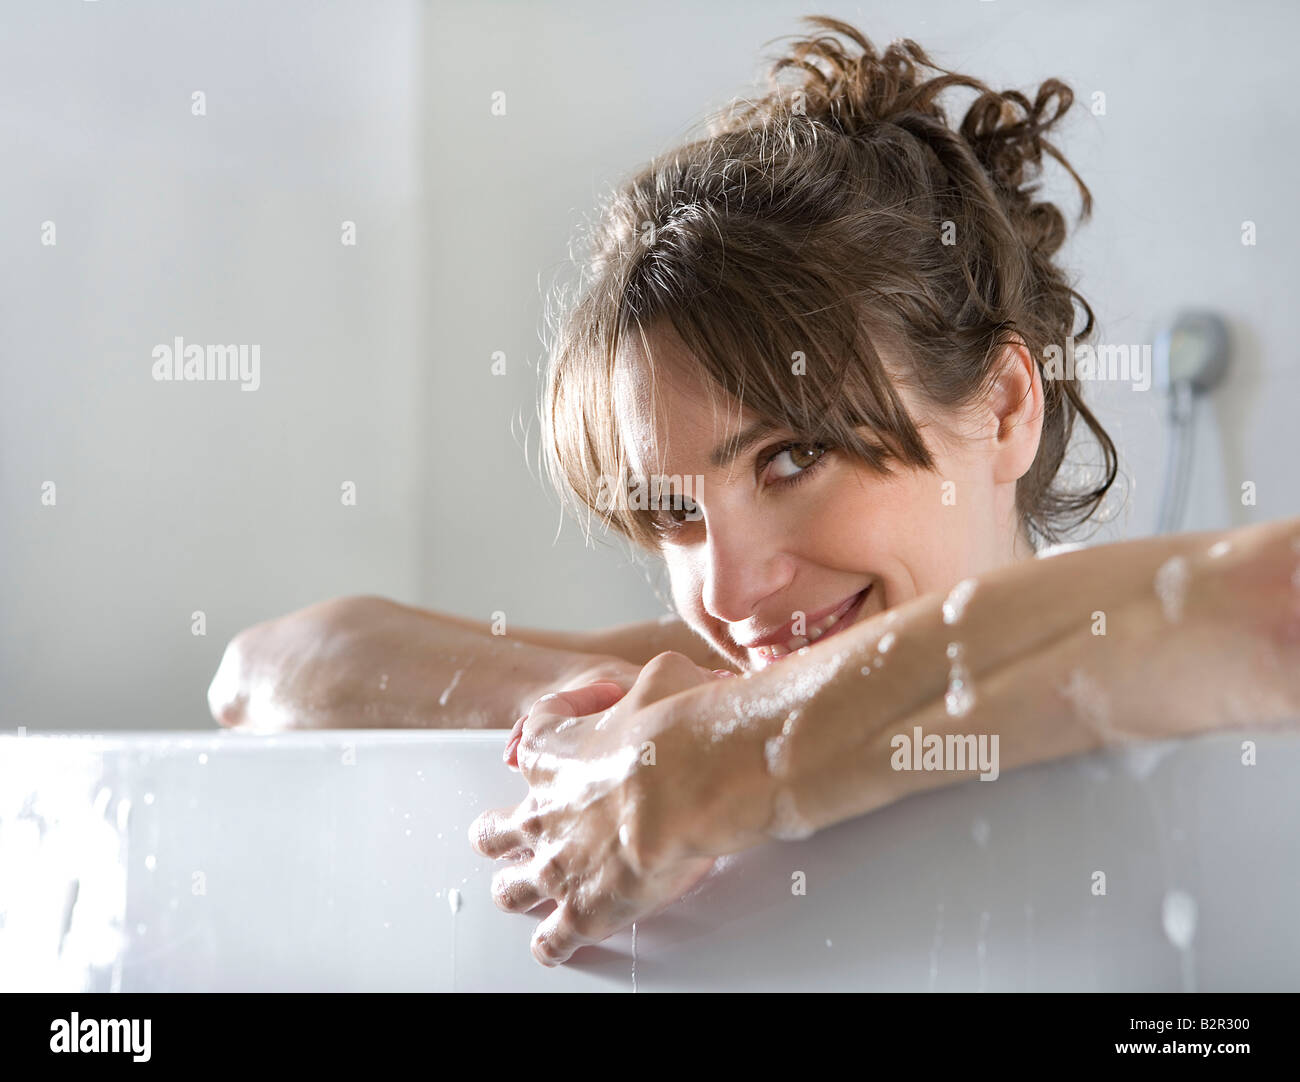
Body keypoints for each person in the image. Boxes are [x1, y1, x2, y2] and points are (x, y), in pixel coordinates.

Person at [207, 17, 1300, 966]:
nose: (729, 593)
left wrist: (728, 760)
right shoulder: (728, 678)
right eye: (674, 510)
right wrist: (610, 716)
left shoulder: (1146, 656)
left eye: (791, 458)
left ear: (1006, 408)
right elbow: (265, 673)